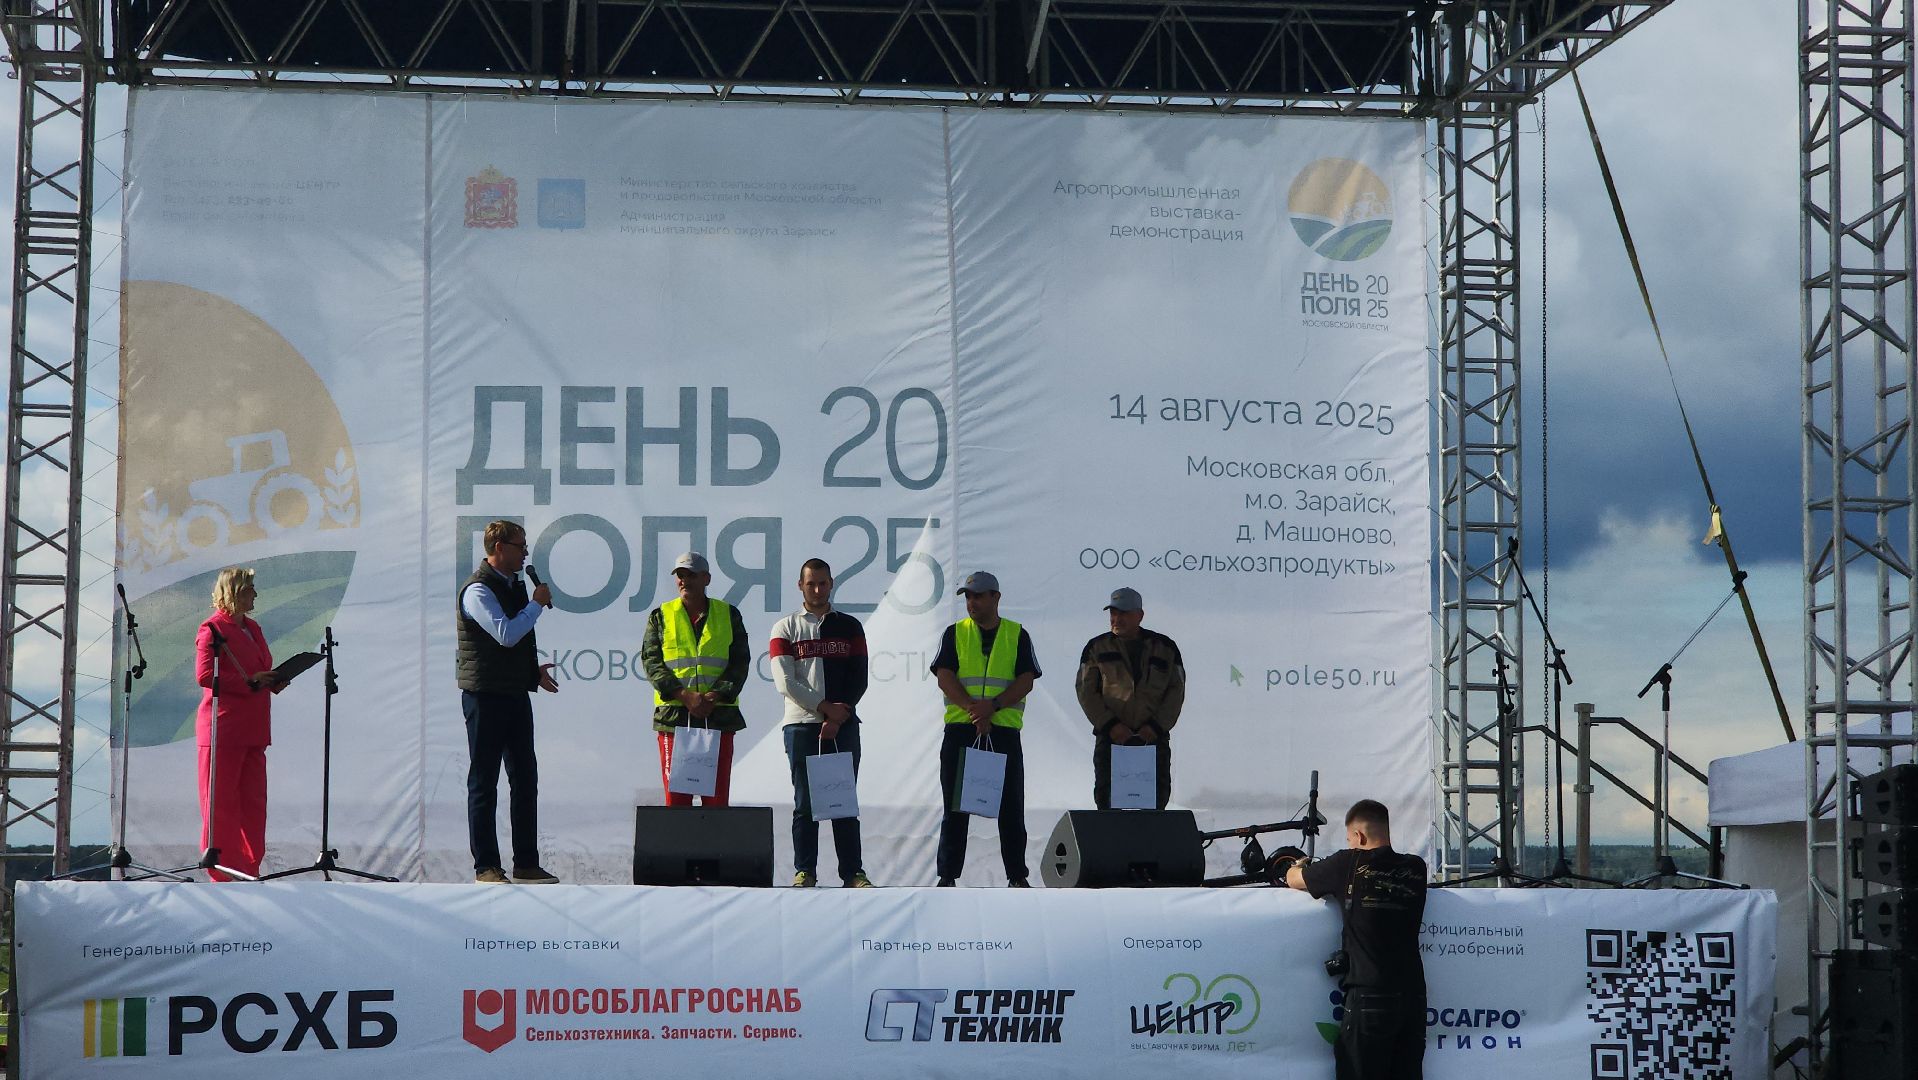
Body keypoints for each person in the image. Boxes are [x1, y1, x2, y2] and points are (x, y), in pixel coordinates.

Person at [1283, 800, 1429, 1080]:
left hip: (1369, 995)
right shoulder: (1416, 868)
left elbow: (1294, 879)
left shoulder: (1346, 863)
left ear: (1358, 836)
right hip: (1412, 997)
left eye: (1350, 839)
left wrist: (1297, 864)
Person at [457, 519, 561, 885]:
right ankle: (486, 865)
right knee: (484, 780)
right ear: (499, 548)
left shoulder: (513, 586)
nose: (525, 554)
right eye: (520, 546)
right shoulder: (478, 591)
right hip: (485, 696)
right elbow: (505, 634)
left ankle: (526, 863)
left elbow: (515, 644)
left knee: (525, 778)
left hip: (515, 692)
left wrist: (531, 672)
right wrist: (535, 606)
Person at [930, 571, 1040, 887]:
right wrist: (972, 708)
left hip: (1003, 730)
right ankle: (948, 877)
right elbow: (944, 675)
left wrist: (991, 707)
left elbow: (1026, 680)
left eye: (978, 596)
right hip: (962, 730)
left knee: (1010, 808)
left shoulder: (1017, 634)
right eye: (968, 596)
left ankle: (1017, 876)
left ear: (996, 597)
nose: (972, 602)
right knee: (955, 808)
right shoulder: (955, 633)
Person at [769, 558, 873, 888]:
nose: (817, 589)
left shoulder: (851, 626)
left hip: (843, 724)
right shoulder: (785, 628)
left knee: (843, 800)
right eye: (810, 583)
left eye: (823, 583)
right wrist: (824, 708)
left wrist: (839, 714)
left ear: (831, 584)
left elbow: (860, 677)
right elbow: (786, 681)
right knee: (805, 803)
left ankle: (853, 872)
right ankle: (805, 870)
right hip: (801, 724)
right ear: (800, 585)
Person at [195, 566, 284, 880]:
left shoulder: (253, 628)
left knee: (253, 802)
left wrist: (271, 680)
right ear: (233, 592)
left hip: (253, 727)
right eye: (249, 589)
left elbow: (258, 667)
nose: (255, 595)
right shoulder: (213, 628)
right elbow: (205, 675)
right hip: (224, 727)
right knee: (221, 802)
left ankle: (249, 868)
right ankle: (222, 870)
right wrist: (248, 681)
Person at [641, 552, 750, 806]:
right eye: (681, 575)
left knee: (716, 801)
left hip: (719, 718)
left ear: (706, 578)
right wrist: (685, 696)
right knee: (676, 802)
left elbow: (739, 662)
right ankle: (678, 848)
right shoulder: (660, 616)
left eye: (692, 575)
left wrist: (713, 696)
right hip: (674, 719)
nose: (685, 581)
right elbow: (652, 661)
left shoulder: (729, 615)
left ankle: (718, 848)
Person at [1074, 586, 1185, 809]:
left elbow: (1176, 691)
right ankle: (1110, 844)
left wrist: (1155, 726)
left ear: (1140, 615)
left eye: (1123, 613)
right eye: (1113, 613)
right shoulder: (1096, 647)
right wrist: (1111, 725)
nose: (1117, 619)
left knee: (1155, 805)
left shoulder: (1165, 647)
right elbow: (1086, 691)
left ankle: (1151, 844)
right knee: (1108, 804)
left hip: (1152, 740)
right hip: (1112, 740)